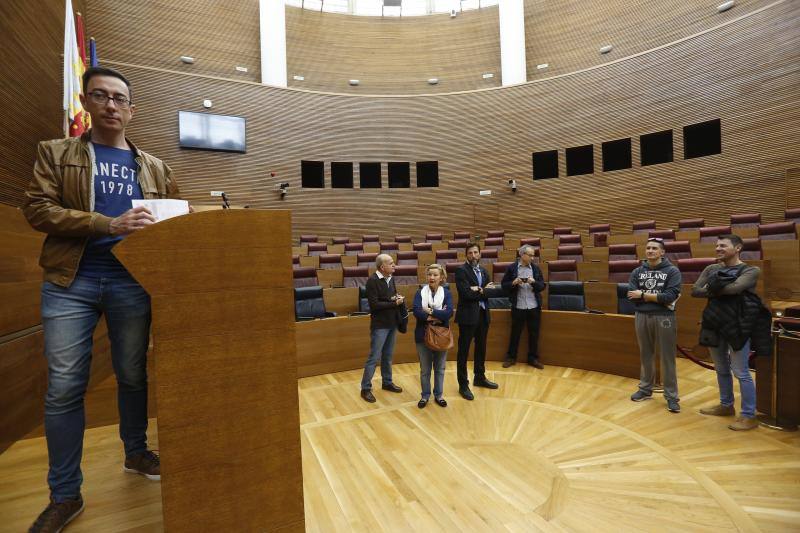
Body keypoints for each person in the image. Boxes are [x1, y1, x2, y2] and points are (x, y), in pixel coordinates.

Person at [23, 66, 182, 532]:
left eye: (119, 98)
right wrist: (105, 224)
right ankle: (65, 495)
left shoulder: (155, 166)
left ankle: (136, 453)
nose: (111, 105)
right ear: (87, 103)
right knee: (66, 386)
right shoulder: (57, 153)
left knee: (133, 374)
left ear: (131, 109)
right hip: (71, 280)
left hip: (132, 280)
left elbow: (174, 220)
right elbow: (37, 208)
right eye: (101, 96)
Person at [692, 234, 771, 431]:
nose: (718, 248)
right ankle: (726, 405)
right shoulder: (711, 268)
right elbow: (695, 290)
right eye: (717, 245)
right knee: (721, 368)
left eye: (723, 246)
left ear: (737, 248)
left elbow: (736, 289)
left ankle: (748, 415)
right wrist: (719, 288)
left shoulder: (751, 270)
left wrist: (712, 288)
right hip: (714, 323)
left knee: (741, 371)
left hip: (738, 326)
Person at [627, 238, 682, 413]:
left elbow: (670, 296)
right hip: (642, 315)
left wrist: (642, 295)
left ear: (662, 252)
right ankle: (645, 389)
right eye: (648, 248)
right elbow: (630, 295)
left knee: (667, 357)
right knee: (645, 354)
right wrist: (656, 298)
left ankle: (671, 397)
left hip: (664, 317)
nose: (650, 251)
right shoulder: (637, 271)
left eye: (654, 248)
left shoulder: (672, 271)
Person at [455, 242, 499, 400]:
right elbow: (466, 294)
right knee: (464, 351)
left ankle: (479, 377)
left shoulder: (485, 271)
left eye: (476, 253)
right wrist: (484, 290)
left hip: (483, 314)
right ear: (466, 255)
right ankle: (463, 384)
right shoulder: (461, 271)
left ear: (480, 254)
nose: (473, 256)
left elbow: (492, 293)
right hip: (467, 316)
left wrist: (479, 290)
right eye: (470, 253)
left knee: (481, 348)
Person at [360, 254, 405, 402]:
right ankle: (365, 388)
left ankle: (387, 382)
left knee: (388, 356)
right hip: (380, 325)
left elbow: (387, 298)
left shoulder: (390, 278)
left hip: (392, 322)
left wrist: (395, 298)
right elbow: (375, 305)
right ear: (382, 267)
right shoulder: (372, 281)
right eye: (391, 263)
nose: (394, 265)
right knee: (374, 357)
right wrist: (394, 303)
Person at [412, 264, 454, 408]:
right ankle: (425, 396)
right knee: (425, 369)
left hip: (441, 335)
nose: (432, 277)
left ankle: (439, 395)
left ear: (441, 278)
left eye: (435, 275)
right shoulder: (420, 293)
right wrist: (437, 314)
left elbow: (448, 313)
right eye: (430, 275)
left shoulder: (447, 293)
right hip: (422, 335)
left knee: (440, 368)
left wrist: (429, 311)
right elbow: (417, 311)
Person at [501, 245, 546, 369]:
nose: (532, 257)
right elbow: (504, 285)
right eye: (530, 255)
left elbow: (542, 286)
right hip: (518, 306)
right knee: (515, 333)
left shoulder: (536, 269)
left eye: (533, 255)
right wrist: (513, 283)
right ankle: (511, 358)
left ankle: (533, 358)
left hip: (534, 306)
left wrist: (534, 282)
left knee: (534, 334)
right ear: (522, 255)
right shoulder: (511, 268)